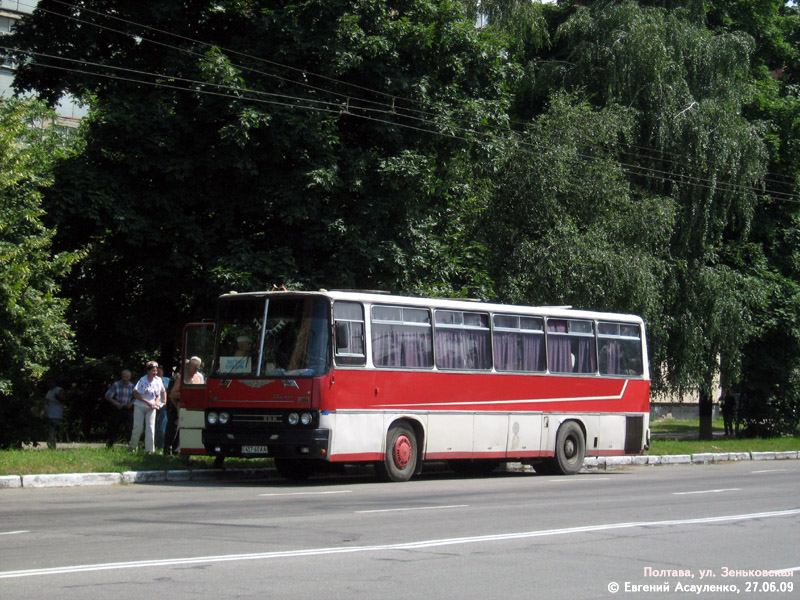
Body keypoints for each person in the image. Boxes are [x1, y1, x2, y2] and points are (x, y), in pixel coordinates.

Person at [165, 357, 205, 455]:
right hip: (179, 406)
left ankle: (178, 450)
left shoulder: (196, 377)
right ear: (189, 366)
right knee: (173, 429)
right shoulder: (180, 377)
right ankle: (167, 450)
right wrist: (178, 404)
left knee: (184, 430)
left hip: (191, 408)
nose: (196, 371)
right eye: (194, 368)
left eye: (198, 368)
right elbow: (172, 394)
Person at [130, 361, 167, 453]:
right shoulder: (142, 380)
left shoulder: (158, 380)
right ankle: (133, 447)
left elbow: (161, 392)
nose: (155, 373)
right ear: (148, 371)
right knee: (138, 427)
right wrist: (147, 402)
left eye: (156, 371)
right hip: (140, 406)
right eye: (153, 371)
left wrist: (161, 402)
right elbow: (135, 394)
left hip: (151, 407)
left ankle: (150, 450)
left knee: (150, 428)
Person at [104, 370, 136, 447]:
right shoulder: (116, 384)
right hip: (117, 408)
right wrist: (115, 403)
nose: (125, 378)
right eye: (124, 377)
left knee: (130, 428)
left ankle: (131, 445)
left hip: (127, 409)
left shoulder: (132, 386)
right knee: (113, 427)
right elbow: (107, 396)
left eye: (127, 377)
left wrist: (131, 403)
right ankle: (109, 445)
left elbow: (137, 397)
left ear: (129, 377)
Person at [44, 381, 67, 449]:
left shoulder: (59, 390)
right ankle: (51, 446)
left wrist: (58, 398)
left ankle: (52, 447)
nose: (50, 384)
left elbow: (64, 400)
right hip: (48, 415)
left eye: (51, 382)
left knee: (52, 432)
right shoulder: (49, 392)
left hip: (55, 415)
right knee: (49, 432)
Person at [154, 365, 170, 450]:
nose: (159, 371)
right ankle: (152, 445)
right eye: (157, 370)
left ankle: (160, 446)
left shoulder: (168, 381)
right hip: (153, 406)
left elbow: (170, 393)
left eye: (160, 369)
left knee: (161, 428)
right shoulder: (152, 381)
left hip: (164, 407)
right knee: (152, 427)